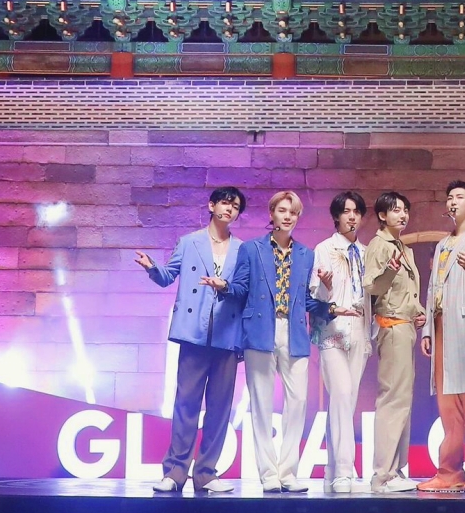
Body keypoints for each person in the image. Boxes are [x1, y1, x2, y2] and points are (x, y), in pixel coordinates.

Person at [203, 190, 359, 493]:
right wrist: (224, 286)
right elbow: (241, 289)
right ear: (272, 213)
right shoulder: (251, 249)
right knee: (261, 405)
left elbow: (306, 301)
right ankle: (268, 474)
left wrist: (331, 308)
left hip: (294, 332)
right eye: (283, 210)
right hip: (260, 331)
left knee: (298, 403)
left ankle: (288, 472)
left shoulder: (306, 255)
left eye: (294, 212)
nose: (288, 217)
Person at [135, 186, 246, 494]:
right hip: (193, 334)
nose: (229, 209)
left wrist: (225, 286)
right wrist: (152, 267)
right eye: (224, 203)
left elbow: (243, 289)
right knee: (186, 405)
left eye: (235, 206)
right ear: (212, 206)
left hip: (227, 335)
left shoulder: (243, 249)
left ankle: (206, 473)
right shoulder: (189, 242)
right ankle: (175, 472)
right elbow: (168, 276)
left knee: (220, 408)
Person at [417, 181, 465, 493]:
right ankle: (450, 471)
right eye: (449, 197)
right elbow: (432, 288)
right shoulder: (442, 244)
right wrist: (427, 329)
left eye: (459, 197)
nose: (452, 202)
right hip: (441, 327)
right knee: (447, 405)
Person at [364, 191, 426, 493]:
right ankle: (382, 475)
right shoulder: (379, 246)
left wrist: (418, 311)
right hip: (391, 327)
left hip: (406, 327)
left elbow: (408, 292)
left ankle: (396, 469)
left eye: (405, 210)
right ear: (382, 215)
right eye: (396, 210)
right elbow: (372, 287)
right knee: (392, 399)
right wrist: (389, 270)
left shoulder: (403, 248)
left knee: (403, 400)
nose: (402, 215)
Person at [309, 191, 372, 493]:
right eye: (346, 211)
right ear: (336, 216)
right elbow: (314, 296)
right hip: (332, 329)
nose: (352, 216)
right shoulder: (324, 249)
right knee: (342, 394)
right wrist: (326, 286)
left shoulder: (367, 252)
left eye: (356, 211)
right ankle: (345, 472)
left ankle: (332, 471)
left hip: (359, 329)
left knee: (345, 401)